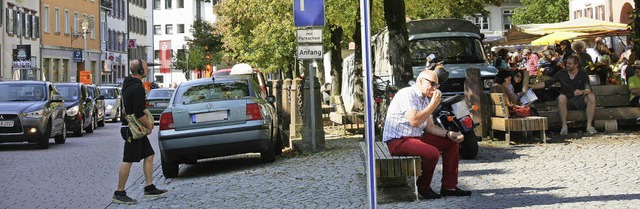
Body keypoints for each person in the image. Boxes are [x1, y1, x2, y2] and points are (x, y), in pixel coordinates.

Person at [382, 69, 471, 199]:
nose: (434, 88)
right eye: (432, 84)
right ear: (421, 81)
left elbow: (429, 127)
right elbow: (415, 121)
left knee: (451, 143)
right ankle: (423, 187)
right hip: (399, 140)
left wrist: (449, 133)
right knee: (432, 153)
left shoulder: (424, 98)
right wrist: (433, 105)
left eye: (437, 85)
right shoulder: (407, 94)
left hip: (416, 137)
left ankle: (449, 187)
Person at [113, 59, 167, 204]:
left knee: (149, 155)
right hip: (133, 129)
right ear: (141, 71)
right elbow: (138, 112)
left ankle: (149, 187)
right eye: (145, 67)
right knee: (128, 160)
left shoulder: (129, 83)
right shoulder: (136, 88)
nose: (147, 69)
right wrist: (149, 125)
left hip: (133, 127)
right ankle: (119, 192)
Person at [529, 55, 597, 135]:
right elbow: (547, 83)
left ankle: (589, 126)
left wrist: (582, 91)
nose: (567, 65)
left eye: (569, 63)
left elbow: (588, 89)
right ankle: (564, 126)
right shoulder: (561, 73)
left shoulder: (582, 74)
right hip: (566, 101)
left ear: (576, 65)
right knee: (561, 97)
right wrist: (531, 86)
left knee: (591, 96)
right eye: (566, 63)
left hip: (579, 100)